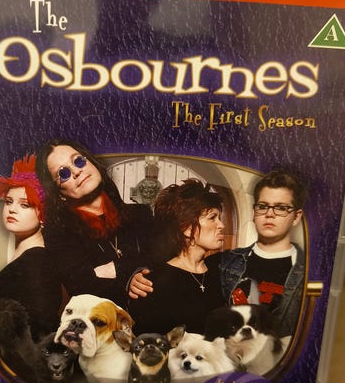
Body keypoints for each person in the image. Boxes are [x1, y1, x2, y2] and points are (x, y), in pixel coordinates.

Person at [35, 139, 154, 307]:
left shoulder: (141, 214)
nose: (76, 171)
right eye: (64, 173)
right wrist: (130, 273)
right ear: (59, 193)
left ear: (92, 163)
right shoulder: (59, 233)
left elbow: (161, 261)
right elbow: (82, 287)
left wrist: (113, 269)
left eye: (78, 160)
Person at [128, 179, 225, 335]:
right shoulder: (153, 283)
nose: (221, 225)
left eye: (219, 218)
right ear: (186, 228)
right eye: (212, 218)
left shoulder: (222, 270)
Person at [219, 170, 307, 338]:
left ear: (296, 217)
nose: (269, 214)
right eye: (263, 206)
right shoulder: (227, 261)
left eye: (281, 208)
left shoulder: (308, 270)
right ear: (254, 212)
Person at [0, 154, 63, 343]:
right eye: (9, 201)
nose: (12, 209)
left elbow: (43, 328)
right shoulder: (27, 255)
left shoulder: (37, 261)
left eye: (25, 205)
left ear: (43, 214)